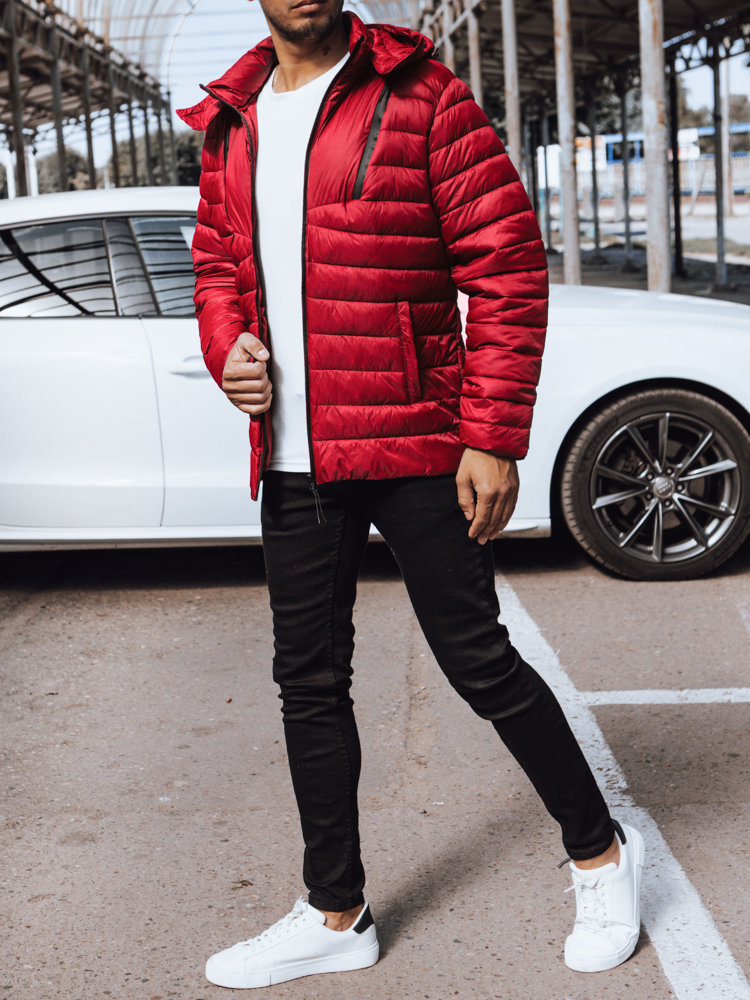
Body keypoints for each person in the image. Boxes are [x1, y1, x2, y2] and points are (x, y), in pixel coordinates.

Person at [177, 0, 644, 989]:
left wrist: (492, 436)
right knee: (308, 681)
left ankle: (602, 855)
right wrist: (227, 347)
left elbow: (506, 264)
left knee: (479, 662)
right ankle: (335, 912)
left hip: (417, 440)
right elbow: (216, 262)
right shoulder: (230, 119)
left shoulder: (422, 95)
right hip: (295, 456)